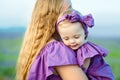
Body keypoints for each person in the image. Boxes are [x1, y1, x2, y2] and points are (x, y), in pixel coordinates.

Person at [16, 0, 88, 80]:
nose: (73, 13)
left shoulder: (36, 47)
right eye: (69, 9)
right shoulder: (56, 50)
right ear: (53, 15)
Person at [55, 9, 115, 80]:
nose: (72, 41)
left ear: (85, 33)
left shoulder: (86, 50)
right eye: (66, 39)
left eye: (76, 37)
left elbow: (81, 72)